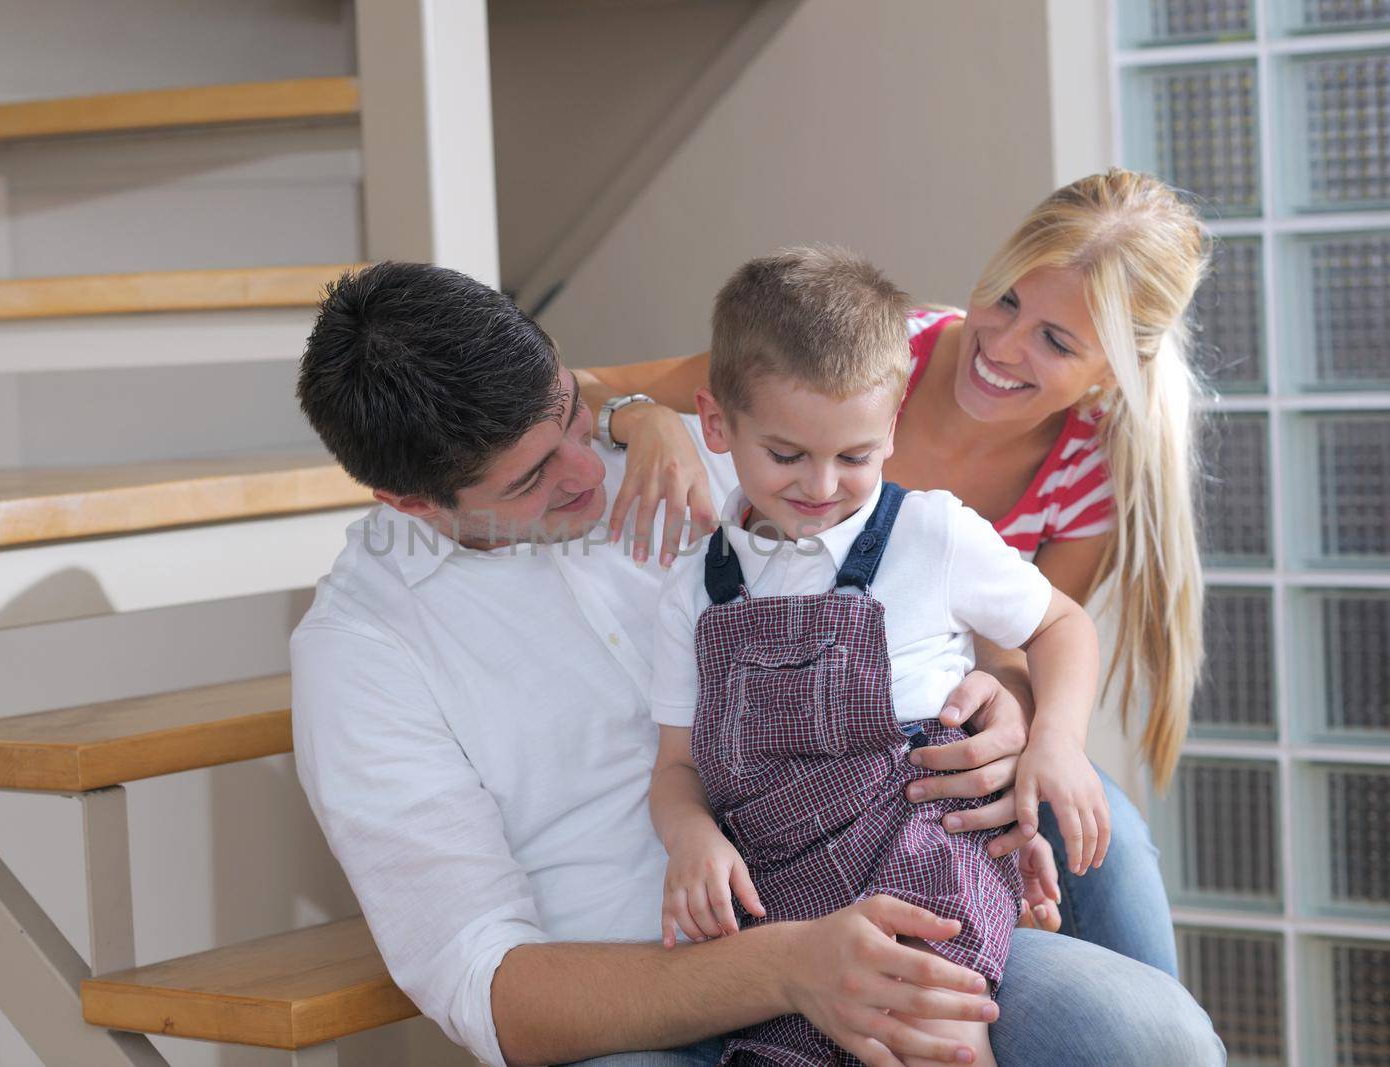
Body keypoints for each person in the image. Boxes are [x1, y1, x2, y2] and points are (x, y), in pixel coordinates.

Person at [289, 258, 1223, 1066]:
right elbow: (490, 987)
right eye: (532, 478)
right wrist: (788, 964)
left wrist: (1006, 704)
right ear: (408, 502)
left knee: (1153, 1037)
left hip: (877, 888)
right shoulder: (362, 654)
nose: (585, 469)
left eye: (572, 417)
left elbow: (931, 595)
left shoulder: (725, 452)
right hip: (648, 1003)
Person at [581, 169, 1207, 977]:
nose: (1005, 347)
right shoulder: (869, 355)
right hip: (805, 807)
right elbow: (592, 387)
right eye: (1007, 299)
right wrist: (641, 420)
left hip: (934, 757)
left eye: (1056, 341)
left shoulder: (1086, 473)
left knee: (1106, 845)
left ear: (1110, 375)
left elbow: (1030, 634)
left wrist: (1028, 719)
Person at [648, 249, 1109, 1067]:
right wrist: (691, 839)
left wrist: (1057, 743)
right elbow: (677, 766)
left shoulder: (931, 532)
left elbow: (1062, 625)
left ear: (891, 428)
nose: (822, 485)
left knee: (931, 1036)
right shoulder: (692, 587)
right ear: (718, 425)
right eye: (787, 455)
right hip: (779, 888)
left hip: (925, 848)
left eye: (856, 456)